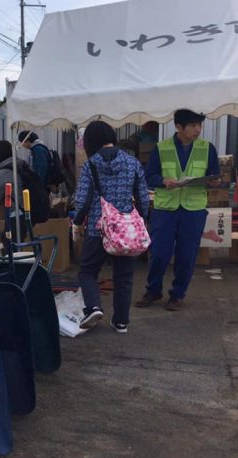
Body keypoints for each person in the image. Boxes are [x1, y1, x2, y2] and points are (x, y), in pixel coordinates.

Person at [135, 109, 221, 311]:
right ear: (179, 127)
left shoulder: (207, 148)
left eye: (199, 125)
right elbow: (149, 176)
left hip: (194, 209)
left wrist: (215, 181)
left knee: (187, 255)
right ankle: (153, 290)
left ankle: (178, 294)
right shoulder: (161, 148)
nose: (198, 130)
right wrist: (164, 181)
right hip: (166, 208)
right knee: (159, 252)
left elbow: (215, 176)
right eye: (193, 126)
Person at [73, 121, 149, 333]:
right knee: (123, 277)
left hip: (98, 229)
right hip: (126, 230)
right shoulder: (132, 163)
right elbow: (143, 197)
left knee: (88, 271)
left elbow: (83, 200)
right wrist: (142, 220)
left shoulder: (91, 165)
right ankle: (121, 322)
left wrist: (77, 222)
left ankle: (94, 307)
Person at [0, 140, 27, 246]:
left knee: (8, 249)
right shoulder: (17, 164)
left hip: (15, 215)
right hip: (23, 212)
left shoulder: (4, 172)